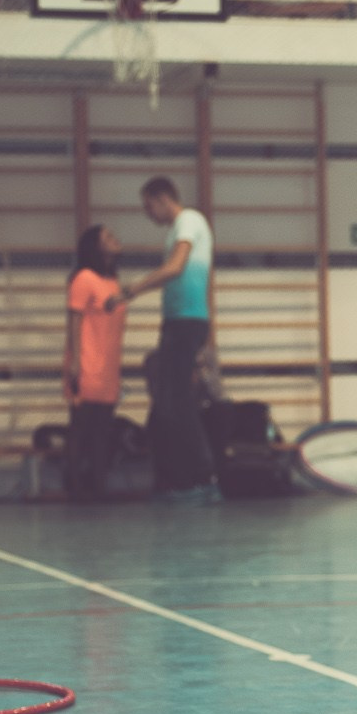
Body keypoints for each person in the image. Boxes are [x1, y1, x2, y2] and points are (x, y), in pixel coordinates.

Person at [112, 177, 218, 503]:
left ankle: (201, 478)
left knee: (179, 402)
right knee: (168, 404)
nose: (149, 214)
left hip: (187, 322)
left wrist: (131, 290)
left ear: (162, 198)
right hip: (177, 322)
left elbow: (175, 267)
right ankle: (176, 479)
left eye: (149, 206)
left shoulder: (189, 221)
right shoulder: (176, 229)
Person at [63, 224, 129, 501]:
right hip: (87, 363)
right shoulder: (83, 279)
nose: (115, 238)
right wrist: (76, 362)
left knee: (103, 431)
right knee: (81, 428)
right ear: (95, 246)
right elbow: (74, 322)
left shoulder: (112, 281)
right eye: (107, 237)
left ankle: (98, 487)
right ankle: (75, 488)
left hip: (109, 367)